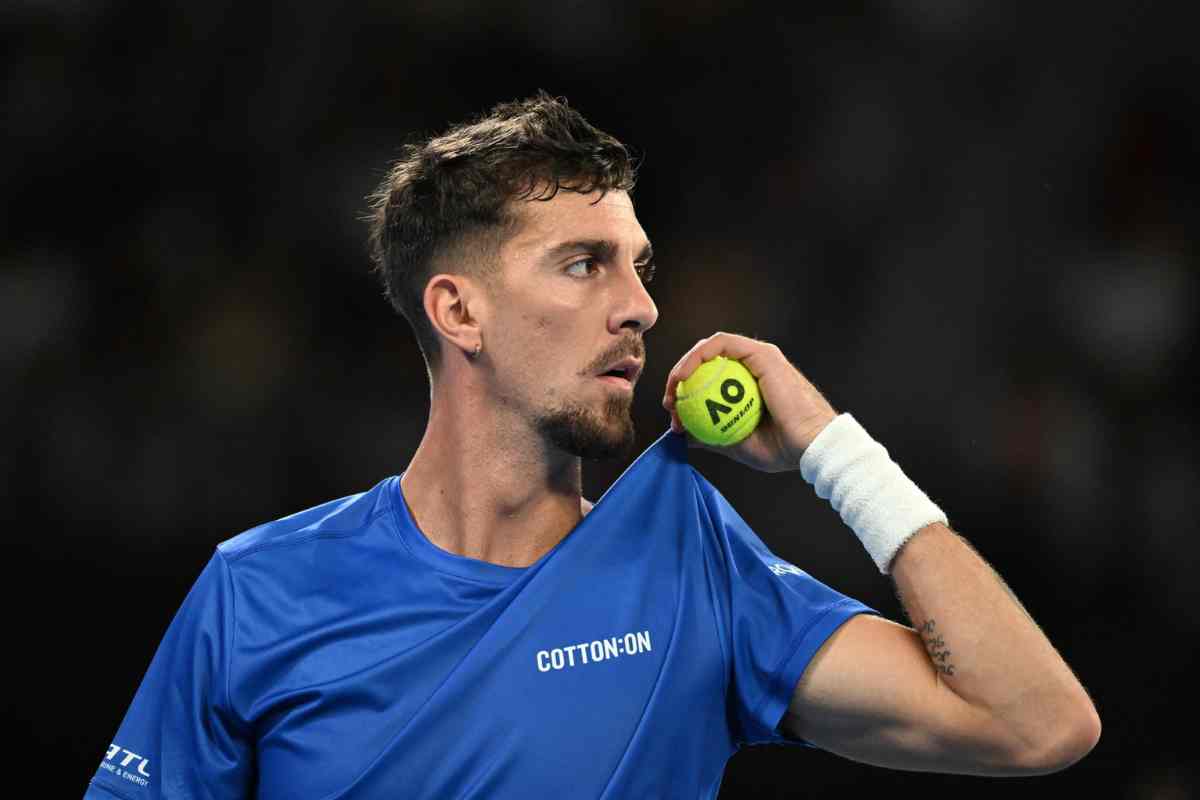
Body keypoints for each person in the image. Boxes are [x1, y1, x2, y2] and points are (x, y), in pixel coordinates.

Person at [84, 92, 1100, 800]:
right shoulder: (257, 590)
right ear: (458, 309)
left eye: (641, 267)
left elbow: (1037, 721)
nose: (642, 306)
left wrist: (838, 451)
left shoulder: (692, 564)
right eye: (584, 264)